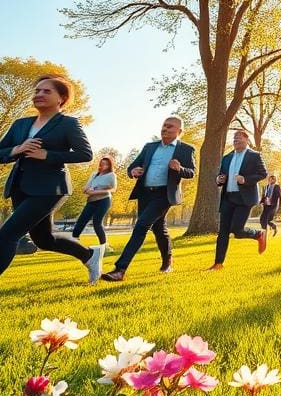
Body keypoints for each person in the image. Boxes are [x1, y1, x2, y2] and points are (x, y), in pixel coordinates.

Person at [0, 75, 101, 282]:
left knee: (7, 234)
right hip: (20, 187)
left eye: (46, 91)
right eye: (37, 91)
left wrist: (48, 155)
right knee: (44, 240)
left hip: (50, 188)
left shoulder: (68, 124)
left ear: (61, 98)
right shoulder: (20, 124)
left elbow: (85, 154)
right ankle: (89, 255)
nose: (39, 94)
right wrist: (17, 149)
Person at [102, 116, 195, 281]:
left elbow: (191, 173)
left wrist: (179, 168)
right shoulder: (150, 147)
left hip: (164, 194)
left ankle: (120, 269)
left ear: (179, 131)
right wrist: (133, 171)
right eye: (164, 126)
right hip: (145, 193)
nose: (165, 129)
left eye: (170, 127)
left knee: (141, 226)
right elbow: (133, 166)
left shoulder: (185, 149)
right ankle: (168, 261)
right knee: (159, 228)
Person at [207, 130, 269, 270]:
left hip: (244, 198)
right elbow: (221, 175)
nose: (235, 140)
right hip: (228, 197)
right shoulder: (227, 157)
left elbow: (263, 173)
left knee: (237, 230)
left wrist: (245, 180)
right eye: (234, 139)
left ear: (246, 140)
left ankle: (258, 234)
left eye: (239, 138)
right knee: (223, 231)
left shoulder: (254, 156)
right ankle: (218, 264)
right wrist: (219, 179)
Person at [72, 156, 117, 249]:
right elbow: (86, 188)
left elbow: (113, 189)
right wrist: (87, 190)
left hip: (104, 201)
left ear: (109, 166)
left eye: (106, 164)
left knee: (97, 222)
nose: (103, 165)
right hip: (91, 200)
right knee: (81, 220)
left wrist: (96, 191)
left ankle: (104, 246)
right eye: (102, 163)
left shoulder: (111, 175)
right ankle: (73, 241)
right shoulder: (94, 174)